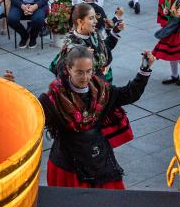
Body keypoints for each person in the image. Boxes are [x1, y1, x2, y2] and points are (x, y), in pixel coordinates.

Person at [35, 46, 155, 189]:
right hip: (68, 166)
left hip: (98, 159)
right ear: (68, 69)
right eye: (79, 72)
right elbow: (28, 120)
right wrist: (10, 89)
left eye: (88, 71)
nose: (85, 77)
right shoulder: (52, 99)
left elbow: (130, 94)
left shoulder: (102, 90)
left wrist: (144, 70)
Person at [50, 3, 122, 81]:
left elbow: (106, 48)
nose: (96, 21)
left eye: (95, 17)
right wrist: (80, 56)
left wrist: (114, 32)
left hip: (104, 83)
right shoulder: (71, 46)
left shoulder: (94, 34)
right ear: (80, 22)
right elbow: (63, 72)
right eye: (91, 18)